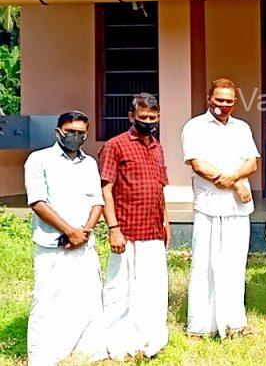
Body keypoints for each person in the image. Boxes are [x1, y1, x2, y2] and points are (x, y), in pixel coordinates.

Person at [25, 111, 107, 365]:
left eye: (81, 133)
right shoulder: (39, 160)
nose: (75, 137)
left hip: (84, 243)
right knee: (47, 300)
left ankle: (87, 351)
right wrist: (69, 231)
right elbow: (38, 202)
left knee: (87, 299)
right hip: (52, 245)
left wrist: (84, 232)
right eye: (70, 131)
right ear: (58, 131)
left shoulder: (90, 163)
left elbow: (97, 201)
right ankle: (43, 357)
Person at [182, 78, 260, 338]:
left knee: (235, 265)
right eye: (219, 100)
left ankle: (235, 323)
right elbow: (198, 165)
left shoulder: (241, 128)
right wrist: (234, 184)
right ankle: (200, 326)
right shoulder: (195, 127)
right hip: (209, 207)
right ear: (209, 99)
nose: (224, 106)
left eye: (229, 101)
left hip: (238, 210)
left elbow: (252, 163)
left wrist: (236, 180)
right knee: (204, 266)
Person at [99, 93, 170, 359]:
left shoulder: (157, 146)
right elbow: (105, 190)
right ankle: (118, 341)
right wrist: (113, 228)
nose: (148, 122)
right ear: (131, 117)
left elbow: (159, 188)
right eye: (143, 118)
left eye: (153, 118)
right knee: (120, 289)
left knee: (152, 287)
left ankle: (149, 339)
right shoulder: (115, 146)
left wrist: (165, 221)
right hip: (126, 231)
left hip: (153, 230)